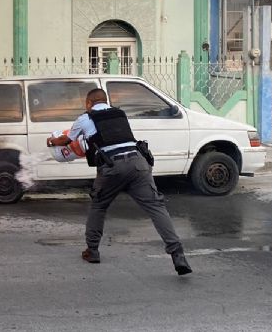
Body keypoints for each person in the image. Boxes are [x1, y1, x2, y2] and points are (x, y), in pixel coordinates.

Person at [47, 88, 192, 276]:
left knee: (99, 206)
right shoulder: (120, 113)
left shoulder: (85, 118)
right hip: (139, 164)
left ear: (89, 103)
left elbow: (66, 140)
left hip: (112, 167)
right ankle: (178, 254)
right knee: (156, 207)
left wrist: (51, 141)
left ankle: (92, 251)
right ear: (106, 101)